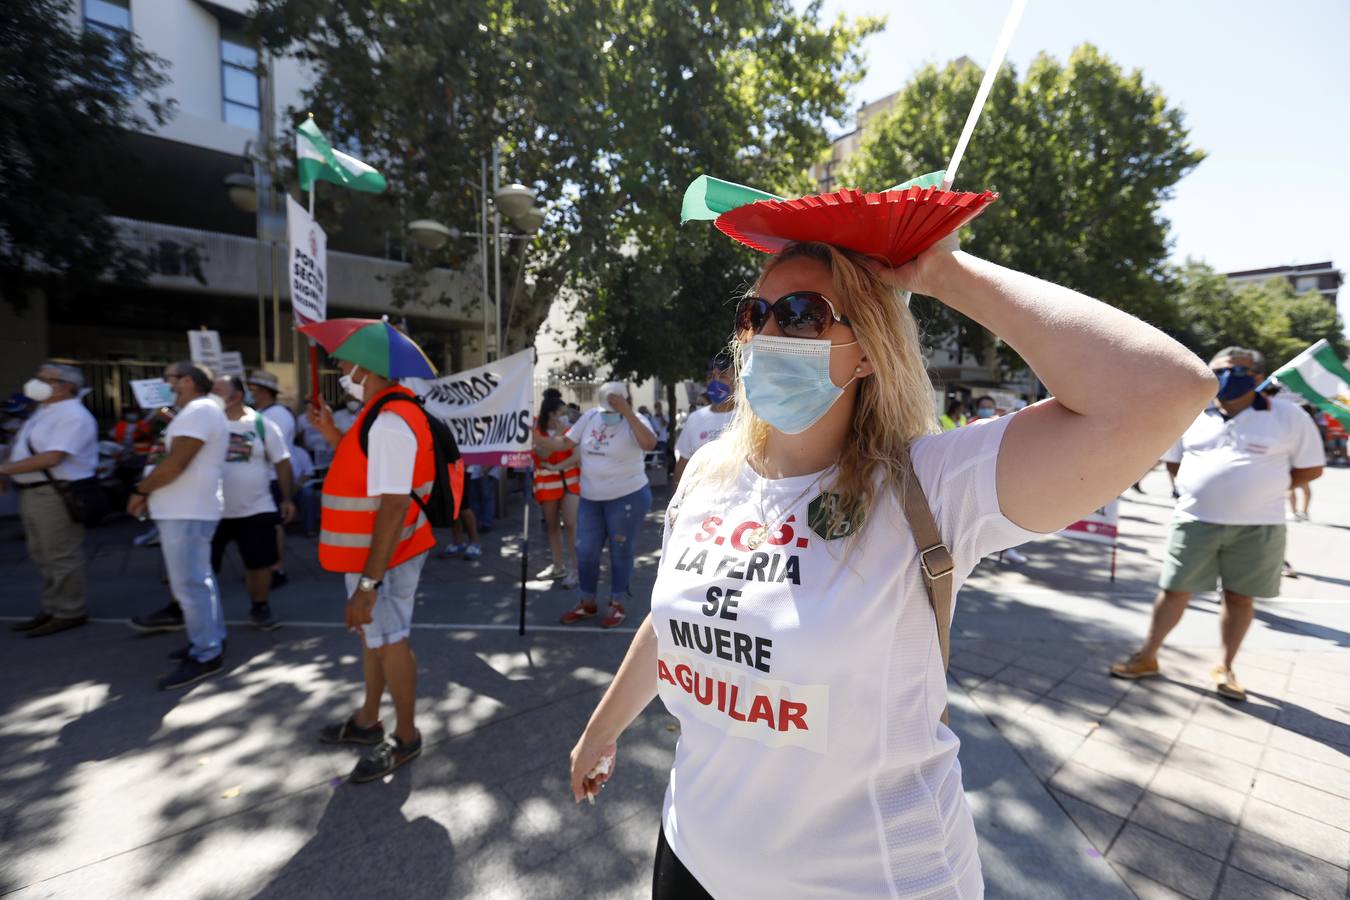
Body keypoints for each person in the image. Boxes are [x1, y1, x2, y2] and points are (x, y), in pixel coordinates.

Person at [567, 231, 1215, 899]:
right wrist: (601, 731)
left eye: (801, 314)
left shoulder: (929, 485)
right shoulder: (707, 472)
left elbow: (1165, 391)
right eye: (754, 315)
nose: (766, 334)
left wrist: (943, 272)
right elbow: (678, 621)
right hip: (692, 856)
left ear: (869, 350)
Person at [1111, 347, 1325, 700]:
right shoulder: (1191, 413)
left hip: (1260, 527)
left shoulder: (1289, 416)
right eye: (1219, 370)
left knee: (1239, 598)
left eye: (1237, 370)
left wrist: (1264, 488)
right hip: (1195, 520)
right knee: (1174, 590)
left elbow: (1311, 468)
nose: (1226, 377)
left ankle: (1225, 667)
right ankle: (1147, 656)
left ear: (1257, 376)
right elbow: (1174, 461)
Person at [309, 358, 437, 783]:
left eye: (347, 365)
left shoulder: (389, 420)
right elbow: (375, 472)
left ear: (367, 369)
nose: (342, 372)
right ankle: (368, 720)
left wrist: (368, 583)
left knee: (390, 639)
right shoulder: (382, 415)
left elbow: (395, 504)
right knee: (376, 638)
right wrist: (333, 435)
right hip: (380, 554)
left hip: (385, 557)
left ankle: (406, 737)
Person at [128, 362, 229, 690]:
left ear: (187, 381)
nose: (165, 383)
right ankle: (210, 642)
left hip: (187, 510)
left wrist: (141, 490)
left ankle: (206, 653)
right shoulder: (197, 411)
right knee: (198, 581)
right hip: (185, 509)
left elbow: (176, 463)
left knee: (190, 584)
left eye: (170, 378)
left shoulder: (199, 409)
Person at [537, 380, 656, 628]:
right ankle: (586, 602)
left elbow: (649, 444)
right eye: (606, 408)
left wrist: (627, 412)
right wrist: (533, 438)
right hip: (591, 498)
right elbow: (564, 443)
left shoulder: (636, 421)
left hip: (627, 497)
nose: (608, 414)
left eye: (614, 407)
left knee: (620, 550)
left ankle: (617, 603)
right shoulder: (590, 416)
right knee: (586, 550)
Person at [3, 363, 99, 637]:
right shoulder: (44, 411)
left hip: (55, 493)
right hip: (36, 492)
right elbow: (21, 449)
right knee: (42, 554)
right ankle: (54, 606)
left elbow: (53, 457)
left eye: (46, 379)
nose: (38, 382)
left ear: (66, 386)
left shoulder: (73, 415)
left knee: (60, 554)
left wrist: (3, 470)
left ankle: (70, 611)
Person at [209, 376, 296, 631]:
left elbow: (282, 462)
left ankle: (260, 606)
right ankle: (191, 612)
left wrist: (287, 498)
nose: (210, 395)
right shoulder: (205, 423)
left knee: (259, 564)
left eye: (217, 390)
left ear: (235, 396)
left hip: (256, 509)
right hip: (210, 510)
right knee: (203, 566)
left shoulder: (262, 424)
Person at [247, 370, 295, 588]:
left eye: (253, 390)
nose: (250, 394)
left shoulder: (277, 415)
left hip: (274, 477)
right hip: (266, 477)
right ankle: (267, 568)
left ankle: (277, 568)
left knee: (275, 526)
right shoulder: (266, 412)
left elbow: (275, 451)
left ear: (264, 391)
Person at [531, 394, 581, 587]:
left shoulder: (571, 430)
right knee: (552, 526)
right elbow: (541, 453)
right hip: (547, 485)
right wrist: (557, 439)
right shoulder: (538, 431)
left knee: (570, 524)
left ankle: (575, 569)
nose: (564, 417)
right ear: (550, 414)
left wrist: (556, 467)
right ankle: (558, 565)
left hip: (569, 482)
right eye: (561, 413)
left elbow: (577, 456)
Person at [671, 354, 736, 495]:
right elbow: (683, 462)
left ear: (737, 380)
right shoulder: (695, 419)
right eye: (710, 376)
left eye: (723, 376)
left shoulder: (750, 418)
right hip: (701, 503)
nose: (715, 381)